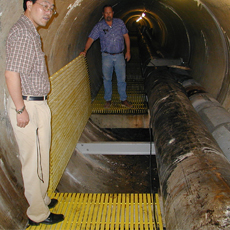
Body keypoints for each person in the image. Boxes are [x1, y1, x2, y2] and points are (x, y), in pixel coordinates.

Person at [5, 0, 64, 226]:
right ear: (29, 4)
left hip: (37, 104)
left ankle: (42, 199)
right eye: (45, 5)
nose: (49, 12)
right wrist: (20, 109)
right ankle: (37, 214)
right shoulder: (22, 32)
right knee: (32, 162)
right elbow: (12, 74)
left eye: (52, 8)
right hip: (27, 106)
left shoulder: (32, 32)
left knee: (41, 157)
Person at [81, 5, 133, 108]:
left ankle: (123, 99)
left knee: (121, 78)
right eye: (106, 13)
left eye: (110, 12)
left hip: (119, 56)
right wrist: (85, 50)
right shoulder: (99, 26)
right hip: (106, 56)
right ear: (103, 14)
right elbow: (91, 38)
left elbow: (126, 36)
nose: (108, 15)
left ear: (113, 13)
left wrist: (128, 51)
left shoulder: (120, 23)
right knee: (107, 79)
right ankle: (108, 100)